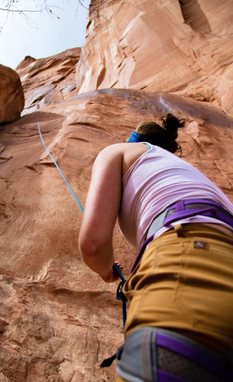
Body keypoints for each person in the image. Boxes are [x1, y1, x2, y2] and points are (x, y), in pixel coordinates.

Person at [79, 114, 233, 382]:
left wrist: (106, 271)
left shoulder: (119, 151)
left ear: (133, 138)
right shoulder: (187, 173)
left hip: (191, 255)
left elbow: (93, 245)